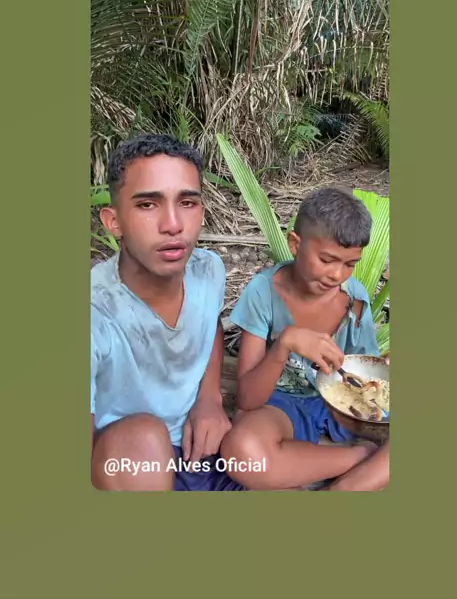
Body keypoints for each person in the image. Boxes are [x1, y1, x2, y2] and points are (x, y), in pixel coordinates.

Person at [91, 133, 243, 491]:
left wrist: (210, 397)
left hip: (200, 448)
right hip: (127, 463)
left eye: (187, 202)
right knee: (146, 438)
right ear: (114, 221)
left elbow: (211, 325)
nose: (173, 224)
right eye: (148, 204)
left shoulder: (208, 270)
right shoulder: (95, 311)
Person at [221, 186, 390, 491]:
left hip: (343, 406)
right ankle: (360, 459)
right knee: (242, 452)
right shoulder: (263, 292)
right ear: (295, 244)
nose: (337, 274)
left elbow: (366, 374)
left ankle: (342, 490)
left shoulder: (354, 298)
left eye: (349, 264)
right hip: (282, 405)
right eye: (326, 260)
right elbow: (248, 398)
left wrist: (384, 368)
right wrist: (285, 344)